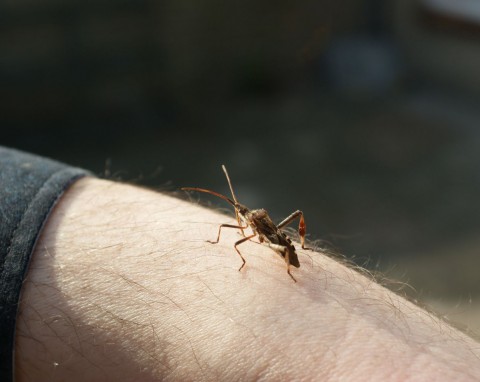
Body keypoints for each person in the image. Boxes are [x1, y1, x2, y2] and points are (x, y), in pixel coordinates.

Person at [2, 146, 480, 381]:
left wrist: (280, 250)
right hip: (282, 243)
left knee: (253, 244)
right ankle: (299, 250)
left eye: (232, 211)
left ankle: (300, 252)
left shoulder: (254, 227)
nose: (235, 217)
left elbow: (246, 239)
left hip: (282, 247)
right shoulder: (246, 219)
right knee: (261, 235)